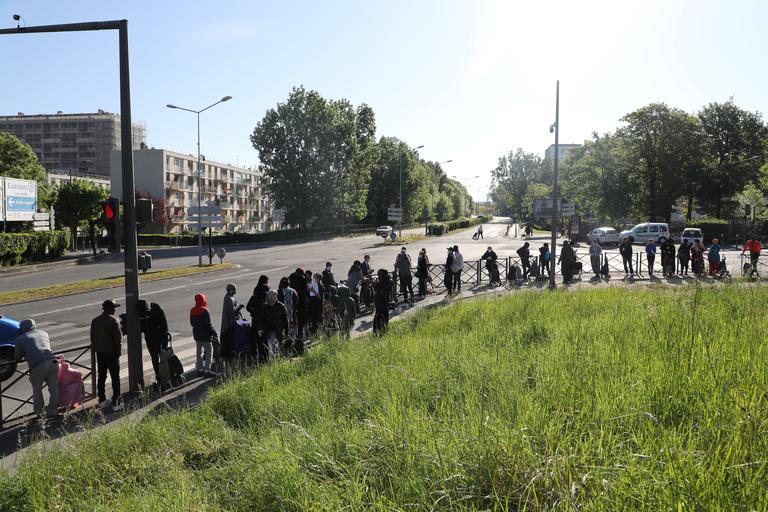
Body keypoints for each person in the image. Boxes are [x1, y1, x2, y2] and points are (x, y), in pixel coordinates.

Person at [14, 319, 59, 417]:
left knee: (37, 389)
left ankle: (40, 414)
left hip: (38, 365)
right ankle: (52, 411)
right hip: (53, 361)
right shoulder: (44, 333)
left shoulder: (20, 339)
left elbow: (17, 357)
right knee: (54, 388)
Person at [90, 300, 123, 411]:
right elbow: (117, 339)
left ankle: (102, 400)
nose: (115, 309)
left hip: (100, 353)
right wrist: (118, 353)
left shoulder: (95, 321)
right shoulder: (114, 320)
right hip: (112, 353)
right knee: (115, 378)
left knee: (101, 377)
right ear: (109, 308)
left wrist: (97, 349)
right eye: (114, 307)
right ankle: (116, 402)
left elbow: (92, 338)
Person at [190, 293, 218, 377]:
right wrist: (214, 333)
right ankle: (207, 370)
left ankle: (200, 369)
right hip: (205, 336)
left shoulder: (192, 310)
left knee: (199, 353)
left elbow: (192, 323)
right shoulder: (205, 310)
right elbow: (208, 325)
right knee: (209, 351)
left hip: (197, 335)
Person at [144, 302, 170, 383]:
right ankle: (163, 374)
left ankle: (160, 375)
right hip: (158, 340)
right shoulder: (158, 312)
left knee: (156, 358)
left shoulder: (148, 316)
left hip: (154, 340)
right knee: (160, 358)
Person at [258, 290, 289, 358]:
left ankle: (273, 361)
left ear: (276, 296)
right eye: (270, 295)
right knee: (270, 347)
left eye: (274, 295)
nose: (272, 297)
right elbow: (260, 319)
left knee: (273, 345)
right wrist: (260, 329)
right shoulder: (264, 306)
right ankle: (275, 360)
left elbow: (285, 320)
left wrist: (286, 331)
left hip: (277, 330)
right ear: (268, 297)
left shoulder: (281, 306)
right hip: (266, 330)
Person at [246, 275, 270, 361]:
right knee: (265, 339)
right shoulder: (267, 296)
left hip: (255, 319)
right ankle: (265, 357)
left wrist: (254, 312)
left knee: (255, 338)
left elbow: (248, 307)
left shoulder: (255, 293)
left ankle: (256, 356)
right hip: (265, 320)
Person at [289, 268, 309, 352]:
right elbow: (307, 288)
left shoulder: (291, 279)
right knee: (300, 326)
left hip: (293, 306)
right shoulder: (303, 280)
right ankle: (300, 344)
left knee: (293, 326)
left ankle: (292, 344)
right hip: (302, 305)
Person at [220, 284, 240, 361]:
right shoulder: (228, 298)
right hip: (228, 322)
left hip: (232, 321)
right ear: (231, 290)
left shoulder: (231, 297)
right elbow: (231, 311)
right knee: (228, 337)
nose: (236, 291)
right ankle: (227, 354)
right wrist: (238, 307)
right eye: (235, 289)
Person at [373, 269, 394, 334]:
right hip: (385, 302)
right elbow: (391, 283)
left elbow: (375, 287)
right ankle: (385, 330)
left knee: (377, 316)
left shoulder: (378, 284)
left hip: (378, 302)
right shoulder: (389, 282)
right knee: (385, 317)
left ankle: (376, 331)